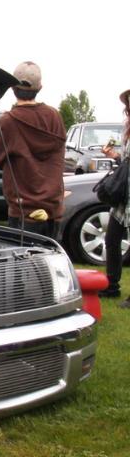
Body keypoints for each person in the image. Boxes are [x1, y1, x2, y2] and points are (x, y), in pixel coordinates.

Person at [0, 61, 66, 237]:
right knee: (49, 255)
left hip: (23, 209)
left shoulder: (9, 121)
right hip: (53, 208)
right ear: (40, 88)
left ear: (12, 88)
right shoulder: (54, 116)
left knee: (21, 256)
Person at [98, 89, 130, 300]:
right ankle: (111, 286)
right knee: (112, 238)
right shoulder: (127, 127)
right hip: (124, 194)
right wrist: (115, 155)